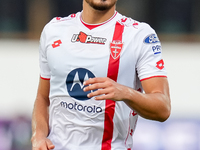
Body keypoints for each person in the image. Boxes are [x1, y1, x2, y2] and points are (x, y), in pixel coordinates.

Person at [31, 0, 171, 150]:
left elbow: (163, 108)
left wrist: (126, 93)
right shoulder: (53, 30)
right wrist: (38, 136)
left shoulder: (139, 35)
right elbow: (43, 97)